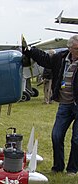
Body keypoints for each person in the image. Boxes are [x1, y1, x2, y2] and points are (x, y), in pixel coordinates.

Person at [23, 35, 78, 176]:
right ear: (70, 48)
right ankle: (58, 167)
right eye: (76, 49)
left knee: (76, 139)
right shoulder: (61, 58)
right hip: (65, 105)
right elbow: (45, 59)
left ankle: (72, 169)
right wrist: (30, 50)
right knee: (56, 135)